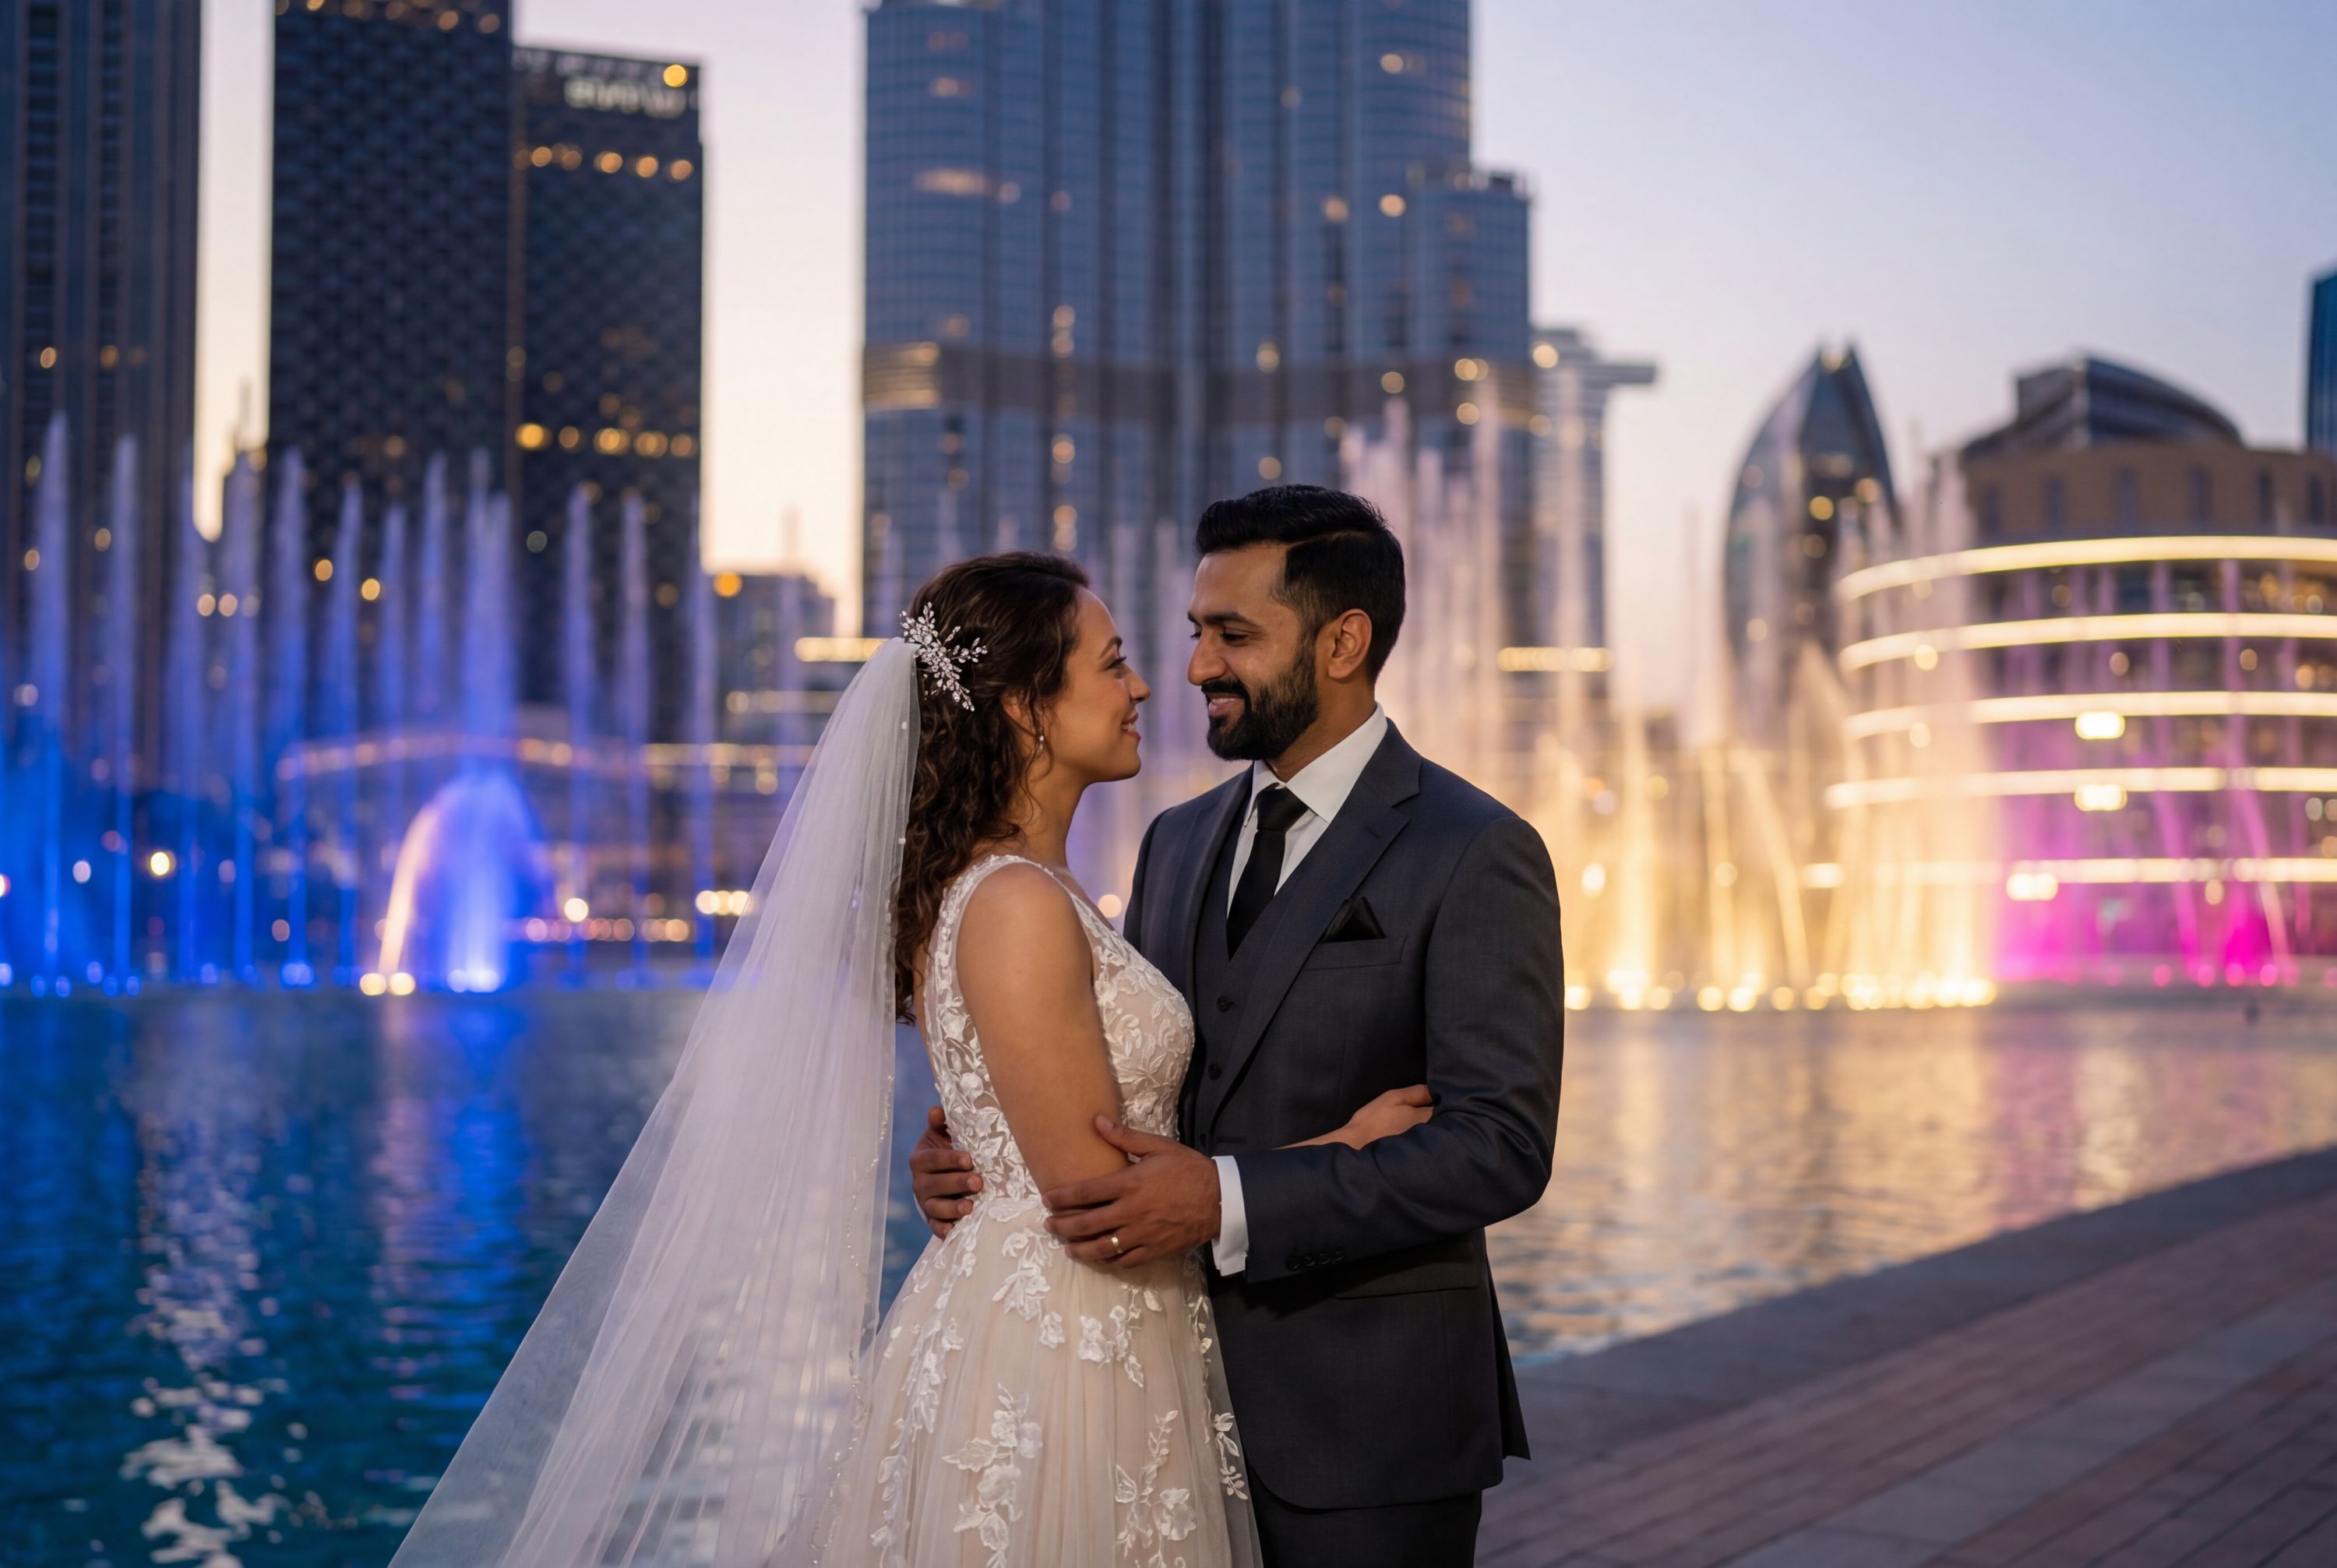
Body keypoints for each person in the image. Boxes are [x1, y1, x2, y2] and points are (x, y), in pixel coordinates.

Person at [390, 550, 1428, 1568]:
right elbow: (1093, 1198)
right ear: (1025, 707)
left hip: (1082, 1323)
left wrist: (980, 1153)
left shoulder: (1020, 888)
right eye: (1111, 662)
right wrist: (1341, 1144)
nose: (1145, 682)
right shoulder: (1016, 902)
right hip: (1061, 1348)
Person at [914, 488, 1567, 1568]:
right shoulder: (1177, 841)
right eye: (1191, 634)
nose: (1195, 669)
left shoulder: (1475, 848)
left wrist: (1228, 1197)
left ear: (1344, 641)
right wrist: (982, 1146)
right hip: (1147, 1404)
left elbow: (1500, 1145)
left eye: (1234, 636)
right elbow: (1132, 1076)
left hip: (1366, 1429)